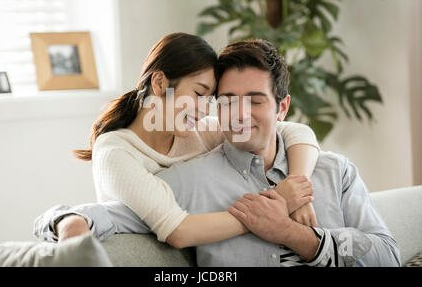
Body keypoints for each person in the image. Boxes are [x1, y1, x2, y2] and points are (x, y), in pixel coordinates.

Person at [36, 38, 400, 266]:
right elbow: (115, 215)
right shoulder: (181, 179)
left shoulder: (334, 172)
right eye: (226, 102)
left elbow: (387, 256)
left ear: (282, 107)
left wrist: (296, 222)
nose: (239, 115)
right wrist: (61, 220)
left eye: (256, 101)